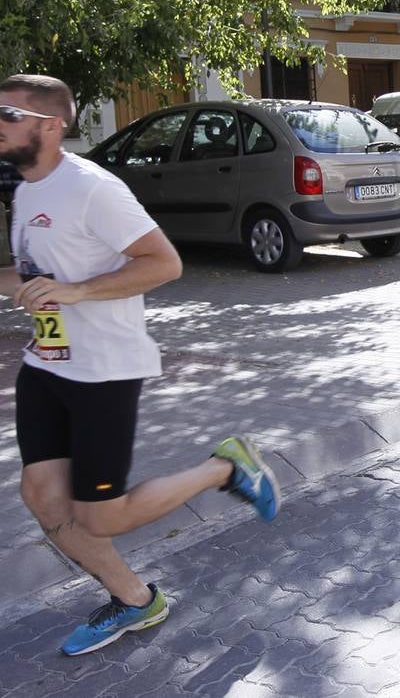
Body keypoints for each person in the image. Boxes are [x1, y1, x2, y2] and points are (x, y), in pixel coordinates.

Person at [0, 74, 280, 657]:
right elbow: (33, 278)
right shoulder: (27, 189)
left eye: (7, 114)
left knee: (100, 517)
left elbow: (163, 263)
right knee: (41, 495)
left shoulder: (91, 188)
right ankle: (134, 600)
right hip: (47, 363)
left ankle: (225, 469)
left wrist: (76, 293)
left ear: (50, 126)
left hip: (103, 369)